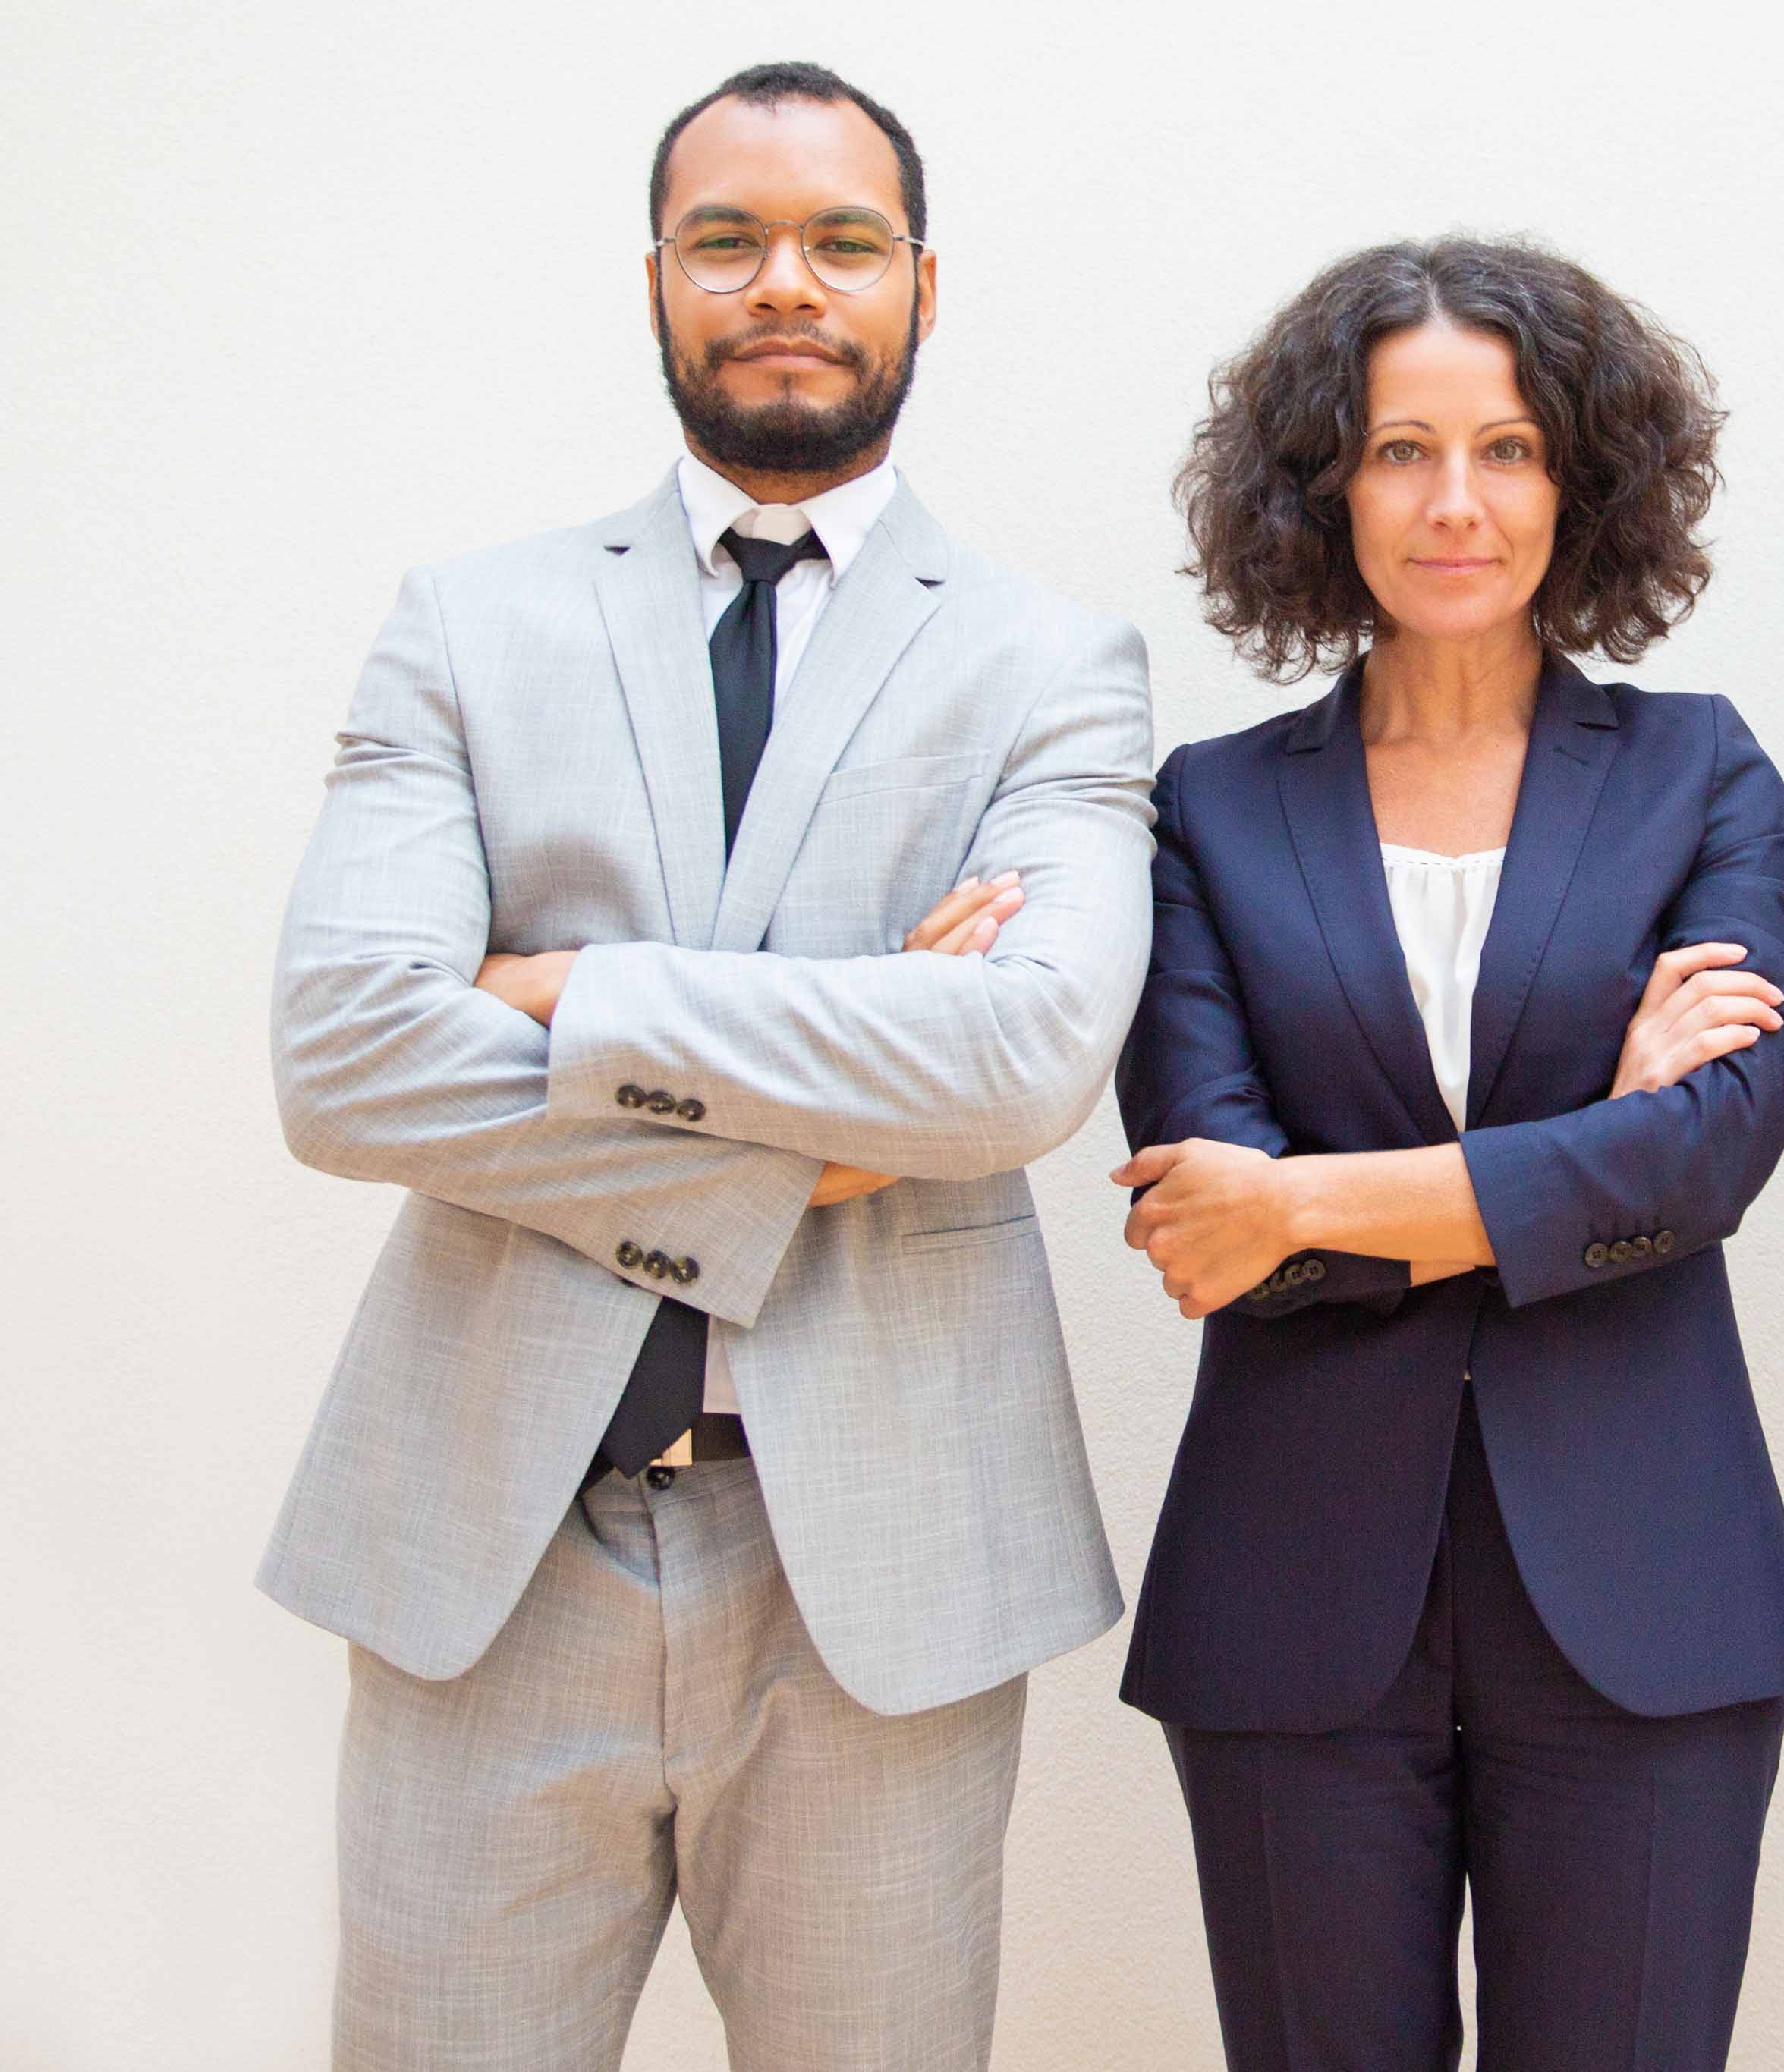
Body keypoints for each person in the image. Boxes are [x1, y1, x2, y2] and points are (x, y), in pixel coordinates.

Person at [262, 62, 1154, 2068]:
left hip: (885, 1574)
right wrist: (818, 1140)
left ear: (921, 281)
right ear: (655, 277)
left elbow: (1017, 1059)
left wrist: (558, 990)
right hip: (488, 1544)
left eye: (841, 240)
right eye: (727, 238)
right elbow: (342, 1058)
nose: (785, 283)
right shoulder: (468, 629)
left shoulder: (1051, 662)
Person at [1110, 237, 1784, 2071]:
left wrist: (1313, 1194)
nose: (1453, 502)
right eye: (1397, 448)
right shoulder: (1205, 806)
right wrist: (1591, 1148)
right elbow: (1211, 1225)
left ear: (1580, 479)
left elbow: (1715, 1158)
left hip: (1645, 1600)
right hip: (1291, 1599)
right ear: (1318, 483)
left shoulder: (1698, 773)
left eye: (1505, 450)